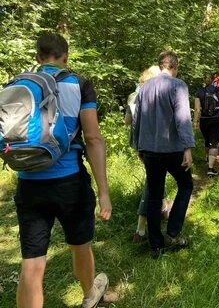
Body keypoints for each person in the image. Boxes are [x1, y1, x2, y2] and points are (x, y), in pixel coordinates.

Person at [12, 33, 112, 308]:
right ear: (65, 58)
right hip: (70, 183)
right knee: (80, 245)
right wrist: (104, 193)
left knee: (32, 264)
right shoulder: (78, 84)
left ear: (38, 58)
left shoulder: (20, 84)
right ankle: (90, 294)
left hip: (29, 182)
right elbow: (92, 138)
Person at [133, 51, 194, 258]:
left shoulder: (144, 87)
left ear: (160, 66)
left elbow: (137, 119)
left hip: (150, 150)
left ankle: (156, 246)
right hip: (173, 149)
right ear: (174, 67)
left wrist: (138, 146)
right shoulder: (178, 85)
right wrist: (188, 148)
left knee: (154, 194)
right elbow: (183, 118)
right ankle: (173, 232)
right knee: (186, 185)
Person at [124, 66, 171, 243]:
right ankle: (141, 229)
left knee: (156, 177)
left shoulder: (134, 94)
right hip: (155, 144)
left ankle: (164, 207)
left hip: (138, 143)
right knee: (151, 182)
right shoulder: (157, 93)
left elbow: (127, 121)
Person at [194, 74, 219, 176]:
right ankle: (210, 168)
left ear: (204, 80)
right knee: (214, 143)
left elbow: (197, 109)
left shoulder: (199, 92)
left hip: (204, 120)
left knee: (207, 141)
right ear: (213, 79)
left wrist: (195, 122)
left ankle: (208, 159)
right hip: (218, 119)